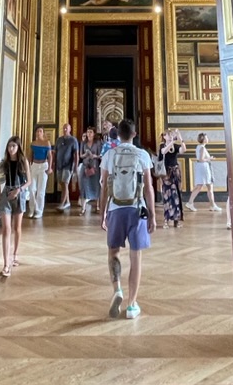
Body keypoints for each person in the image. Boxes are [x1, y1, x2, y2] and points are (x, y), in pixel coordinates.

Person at [100, 118, 156, 320]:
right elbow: (148, 188)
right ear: (134, 134)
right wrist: (152, 214)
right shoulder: (142, 155)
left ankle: (117, 289)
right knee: (135, 256)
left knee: (113, 252)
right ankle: (132, 305)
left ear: (117, 134)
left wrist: (102, 213)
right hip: (137, 209)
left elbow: (104, 186)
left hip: (116, 208)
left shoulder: (109, 155)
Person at [0, 137, 29, 277]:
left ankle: (15, 254)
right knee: (6, 228)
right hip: (6, 194)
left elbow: (29, 181)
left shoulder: (23, 162)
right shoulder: (4, 162)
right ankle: (6, 264)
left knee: (17, 228)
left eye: (14, 146)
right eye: (9, 146)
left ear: (18, 147)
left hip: (19, 194)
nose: (11, 149)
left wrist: (18, 190)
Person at [186, 132, 221, 212]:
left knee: (200, 186)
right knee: (209, 186)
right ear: (204, 139)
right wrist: (210, 158)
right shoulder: (202, 148)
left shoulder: (199, 147)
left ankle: (191, 202)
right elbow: (201, 159)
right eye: (206, 138)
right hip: (204, 168)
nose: (208, 139)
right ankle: (212, 205)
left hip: (201, 167)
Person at [158, 128, 185, 227]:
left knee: (176, 195)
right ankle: (166, 219)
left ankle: (176, 220)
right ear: (164, 137)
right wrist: (172, 142)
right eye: (168, 135)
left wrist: (180, 139)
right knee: (168, 195)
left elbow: (183, 150)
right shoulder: (162, 145)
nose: (170, 136)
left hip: (175, 172)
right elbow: (163, 152)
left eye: (171, 135)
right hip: (166, 174)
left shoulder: (175, 146)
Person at [54, 121, 80, 211]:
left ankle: (62, 204)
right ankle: (67, 202)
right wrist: (53, 163)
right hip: (59, 165)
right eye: (64, 128)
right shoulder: (59, 140)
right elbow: (55, 152)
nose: (65, 130)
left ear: (70, 129)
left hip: (68, 165)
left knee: (65, 183)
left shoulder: (73, 140)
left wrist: (75, 167)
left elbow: (76, 154)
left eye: (66, 128)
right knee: (62, 183)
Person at [28, 125, 51, 218]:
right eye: (37, 131)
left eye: (40, 131)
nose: (38, 133)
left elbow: (50, 156)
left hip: (43, 166)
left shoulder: (47, 143)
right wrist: (28, 167)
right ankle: (32, 209)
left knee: (41, 190)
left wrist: (49, 168)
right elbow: (30, 155)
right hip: (34, 165)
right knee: (32, 189)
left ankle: (39, 211)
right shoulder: (33, 143)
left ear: (43, 133)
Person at [78, 126, 101, 213]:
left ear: (94, 134)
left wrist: (94, 156)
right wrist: (86, 155)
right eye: (88, 132)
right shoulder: (83, 143)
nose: (89, 134)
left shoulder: (97, 143)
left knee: (96, 185)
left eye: (91, 132)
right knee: (84, 186)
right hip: (85, 166)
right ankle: (83, 208)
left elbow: (100, 155)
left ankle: (97, 206)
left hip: (94, 166)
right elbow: (81, 155)